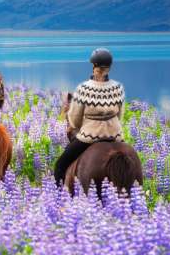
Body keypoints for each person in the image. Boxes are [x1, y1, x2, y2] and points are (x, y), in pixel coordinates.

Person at [53, 48, 126, 187]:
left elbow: (74, 120)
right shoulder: (118, 88)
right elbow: (120, 115)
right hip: (116, 135)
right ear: (109, 68)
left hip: (89, 136)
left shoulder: (84, 89)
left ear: (94, 66)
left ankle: (59, 199)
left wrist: (78, 126)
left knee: (60, 165)